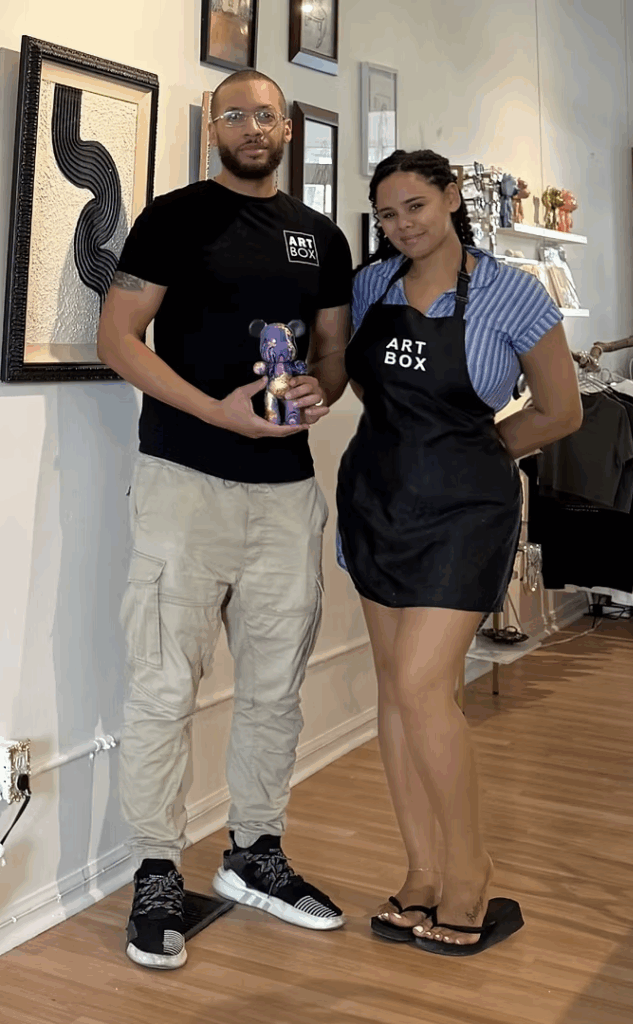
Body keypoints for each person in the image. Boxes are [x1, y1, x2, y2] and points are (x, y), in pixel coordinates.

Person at [97, 70, 352, 970]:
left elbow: (331, 353)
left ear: (287, 129)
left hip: (285, 492)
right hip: (184, 481)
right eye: (235, 113)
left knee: (276, 688)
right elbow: (116, 338)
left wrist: (321, 391)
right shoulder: (173, 218)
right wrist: (216, 412)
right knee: (163, 685)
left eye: (266, 114)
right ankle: (156, 867)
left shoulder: (322, 236)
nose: (252, 126)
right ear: (213, 127)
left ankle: (255, 852)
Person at [336, 149, 582, 956]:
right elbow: (368, 386)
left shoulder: (513, 293)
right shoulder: (371, 286)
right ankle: (422, 873)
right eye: (387, 214)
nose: (402, 225)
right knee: (395, 690)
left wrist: (474, 452)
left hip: (466, 511)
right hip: (376, 499)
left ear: (450, 198)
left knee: (421, 684)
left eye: (415, 205)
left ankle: (470, 874)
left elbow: (562, 410)